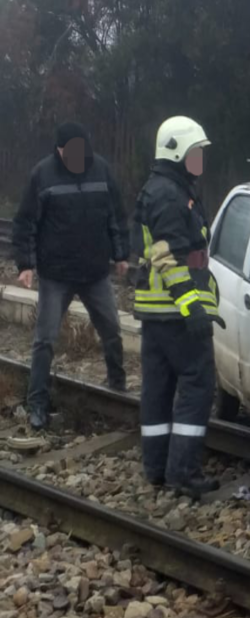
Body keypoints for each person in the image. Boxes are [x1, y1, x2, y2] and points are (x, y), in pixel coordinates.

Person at [13, 122, 130, 430]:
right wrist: (25, 265)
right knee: (45, 340)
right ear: (60, 150)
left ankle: (118, 387)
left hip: (94, 272)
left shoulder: (102, 170)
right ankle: (37, 403)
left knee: (113, 331)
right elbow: (26, 223)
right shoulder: (42, 174)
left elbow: (116, 215)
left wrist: (121, 254)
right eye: (69, 152)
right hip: (56, 274)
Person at [133, 116, 225, 498]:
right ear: (176, 153)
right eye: (195, 153)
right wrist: (193, 309)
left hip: (157, 312)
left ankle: (156, 466)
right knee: (197, 385)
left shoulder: (163, 189)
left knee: (158, 387)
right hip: (175, 312)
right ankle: (183, 471)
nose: (200, 160)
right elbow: (168, 258)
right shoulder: (171, 196)